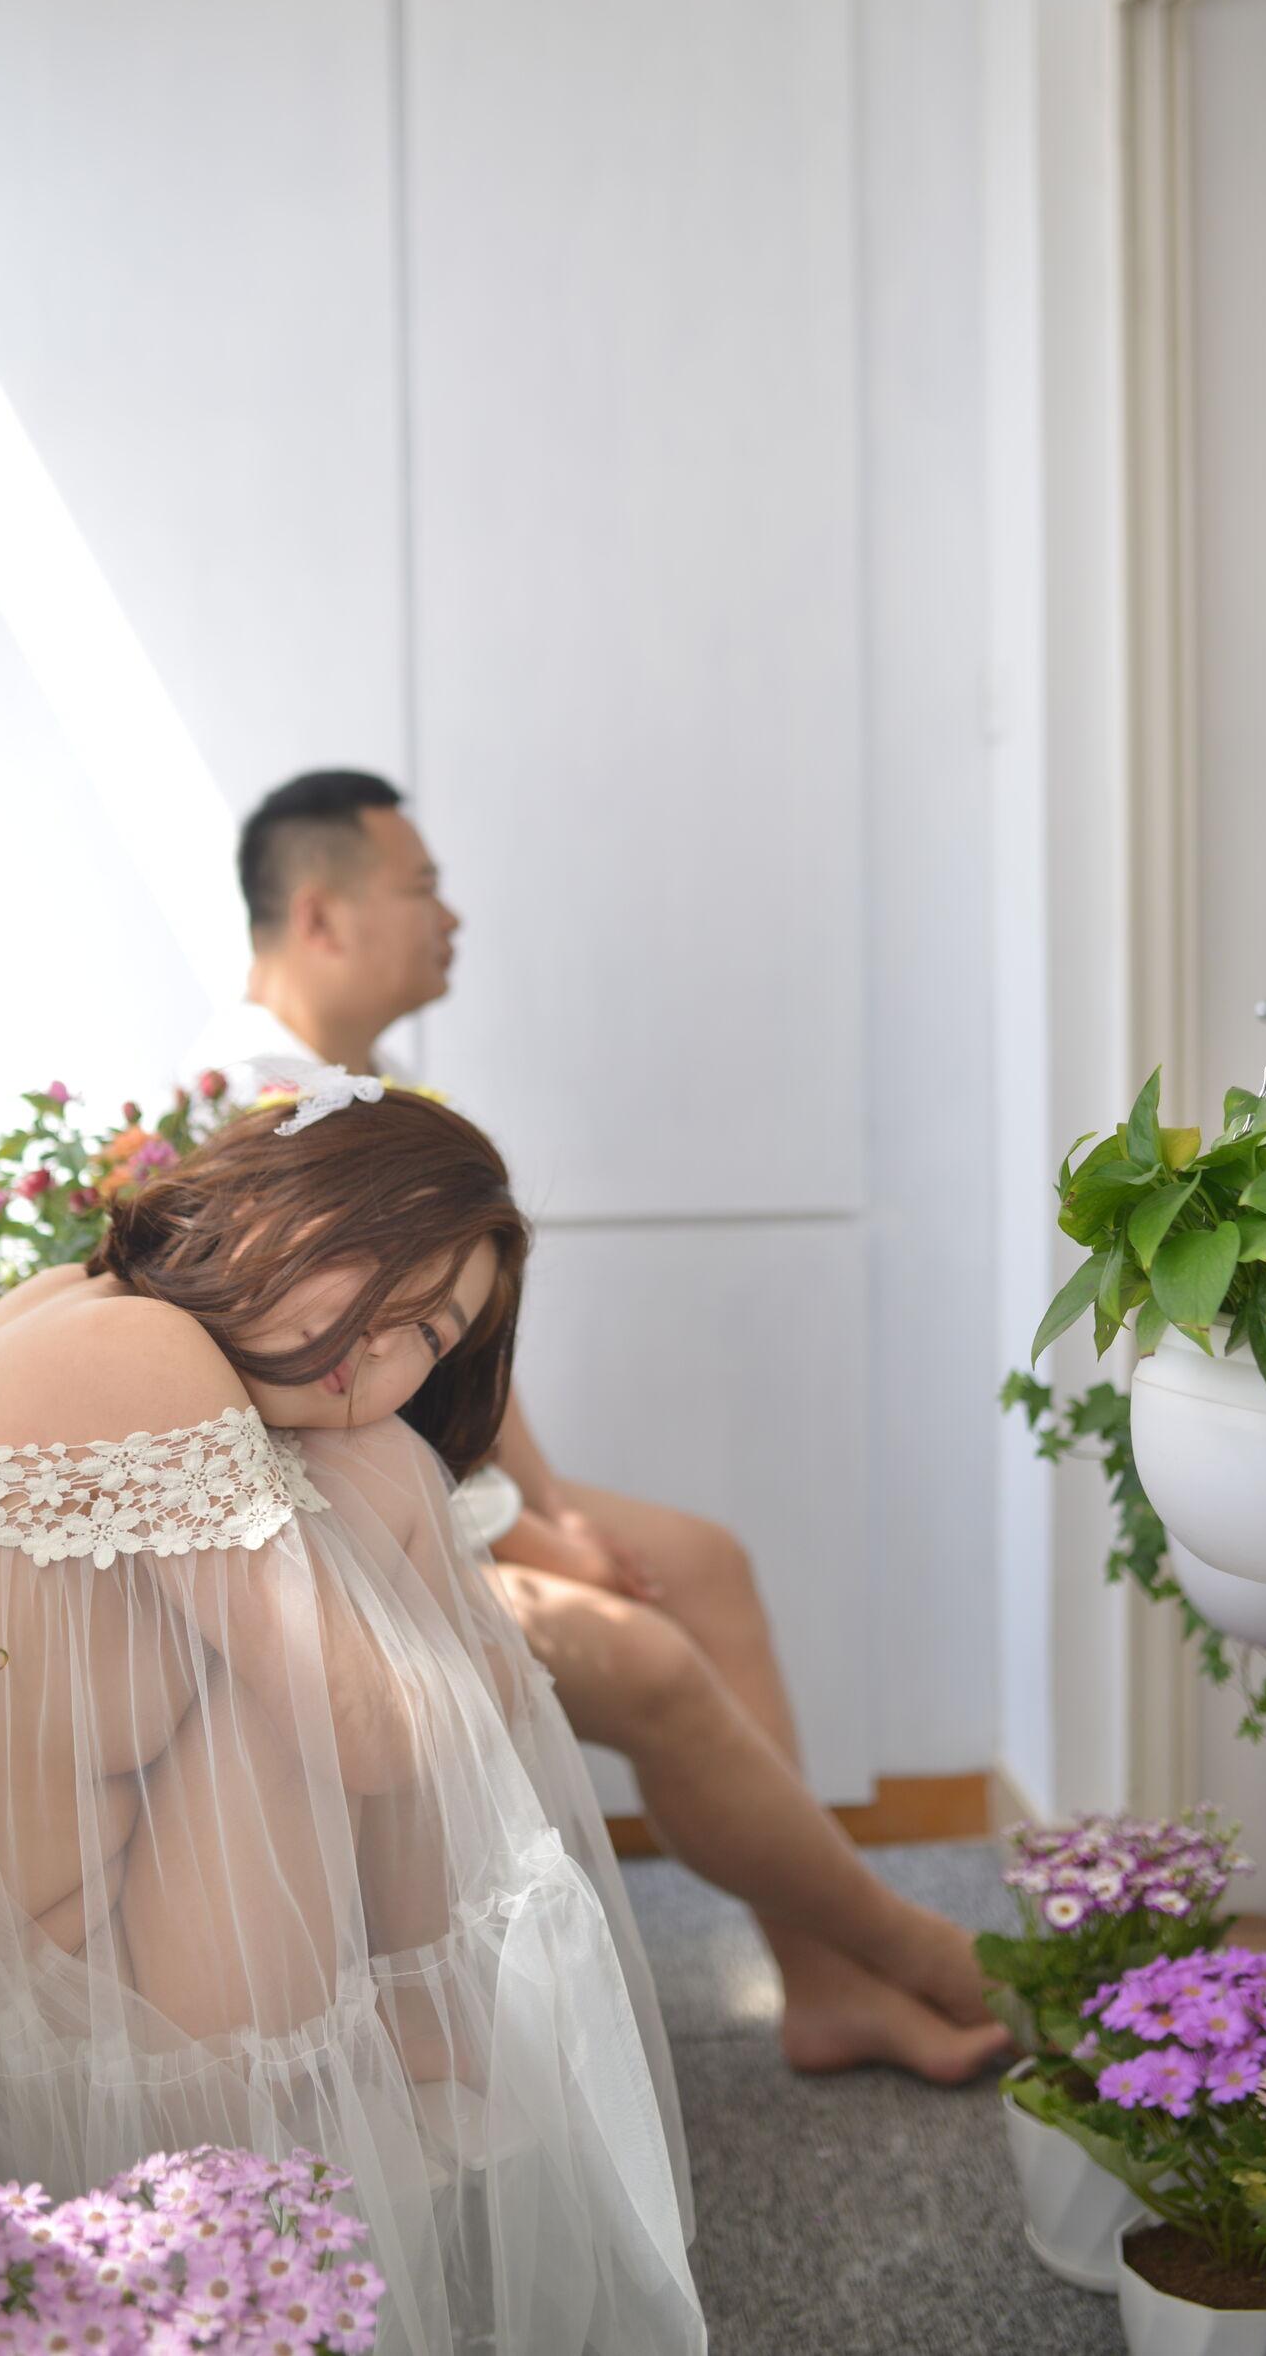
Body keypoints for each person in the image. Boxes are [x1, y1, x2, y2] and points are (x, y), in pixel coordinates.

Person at [0, 1084, 705, 2356]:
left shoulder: (67, 1302)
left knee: (367, 1476)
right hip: (59, 2039)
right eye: (376, 1268)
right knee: (380, 1475)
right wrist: (479, 1662)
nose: (377, 1344)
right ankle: (432, 2017)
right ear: (274, 1203)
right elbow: (362, 1732)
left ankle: (426, 2015)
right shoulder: (144, 1356)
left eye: (430, 1333)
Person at [192, 771, 1010, 2086]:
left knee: (706, 1563)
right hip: (335, 1530)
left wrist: (554, 1505)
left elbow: (453, 1350)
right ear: (323, 917)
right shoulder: (243, 1109)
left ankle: (824, 1987)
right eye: (423, 888)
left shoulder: (365, 1088)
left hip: (431, 1485)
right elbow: (324, 1405)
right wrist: (527, 1539)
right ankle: (907, 1945)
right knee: (653, 1659)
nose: (452, 916)